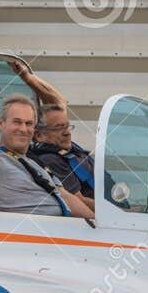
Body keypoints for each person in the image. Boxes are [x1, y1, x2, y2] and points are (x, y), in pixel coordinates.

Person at [0, 90, 93, 218]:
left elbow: (65, 197)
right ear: (1, 123)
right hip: (34, 235)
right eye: (17, 122)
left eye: (28, 123)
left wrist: (95, 223)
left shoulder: (34, 163)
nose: (23, 129)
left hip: (66, 229)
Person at [7, 63, 100, 201]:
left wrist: (27, 77)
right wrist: (117, 213)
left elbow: (59, 102)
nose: (67, 133)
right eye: (58, 128)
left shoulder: (63, 147)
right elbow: (79, 201)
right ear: (39, 135)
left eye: (67, 127)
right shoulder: (51, 160)